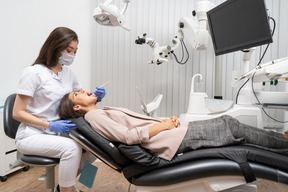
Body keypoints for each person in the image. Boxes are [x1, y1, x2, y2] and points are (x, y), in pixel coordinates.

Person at [59, 89, 288, 161]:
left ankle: (281, 145)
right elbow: (129, 136)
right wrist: (166, 126)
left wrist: (168, 120)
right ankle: (283, 143)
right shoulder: (94, 117)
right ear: (76, 107)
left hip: (173, 133)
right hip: (171, 140)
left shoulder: (102, 111)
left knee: (234, 131)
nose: (85, 90)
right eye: (78, 93)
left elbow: (142, 122)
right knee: (231, 126)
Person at [13, 27, 106, 192]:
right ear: (55, 46)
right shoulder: (33, 73)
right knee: (71, 148)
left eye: (75, 51)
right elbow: (17, 113)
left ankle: (68, 186)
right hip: (32, 134)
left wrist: (96, 97)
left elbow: (80, 100)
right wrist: (48, 125)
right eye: (69, 50)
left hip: (59, 132)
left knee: (94, 148)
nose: (72, 55)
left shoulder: (69, 74)